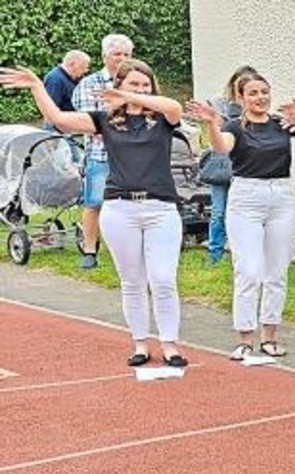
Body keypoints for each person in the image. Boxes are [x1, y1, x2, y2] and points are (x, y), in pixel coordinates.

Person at [1, 60, 188, 367]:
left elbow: (173, 106)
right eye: (134, 85)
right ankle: (140, 343)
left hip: (161, 208)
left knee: (163, 279)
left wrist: (130, 97)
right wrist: (37, 85)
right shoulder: (105, 121)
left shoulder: (164, 119)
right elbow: (58, 119)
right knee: (132, 281)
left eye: (146, 85)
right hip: (119, 209)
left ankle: (170, 344)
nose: (141, 90)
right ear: (120, 85)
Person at [187, 72, 295, 360]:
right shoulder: (235, 127)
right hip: (246, 198)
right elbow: (220, 147)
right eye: (253, 93)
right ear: (241, 98)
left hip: (281, 195)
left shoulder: (280, 124)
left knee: (277, 271)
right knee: (249, 270)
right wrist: (211, 123)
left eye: (264, 91)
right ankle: (245, 338)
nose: (260, 97)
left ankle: (270, 336)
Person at [71, 33, 134, 270]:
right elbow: (91, 123)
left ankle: (127, 250)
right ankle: (89, 250)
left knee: (130, 202)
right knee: (95, 201)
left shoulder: (135, 82)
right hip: (100, 155)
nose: (122, 59)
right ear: (104, 55)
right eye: (117, 54)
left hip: (132, 156)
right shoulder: (89, 84)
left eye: (127, 54)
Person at [204, 65, 258, 265]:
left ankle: (241, 252)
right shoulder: (220, 102)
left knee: (243, 212)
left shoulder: (254, 103)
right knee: (218, 211)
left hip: (246, 165)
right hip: (221, 165)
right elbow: (218, 129)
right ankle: (214, 254)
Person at [42, 50, 90, 128]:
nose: (85, 71)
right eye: (82, 67)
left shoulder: (74, 77)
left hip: (71, 124)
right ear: (72, 64)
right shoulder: (55, 79)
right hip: (58, 128)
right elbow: (50, 110)